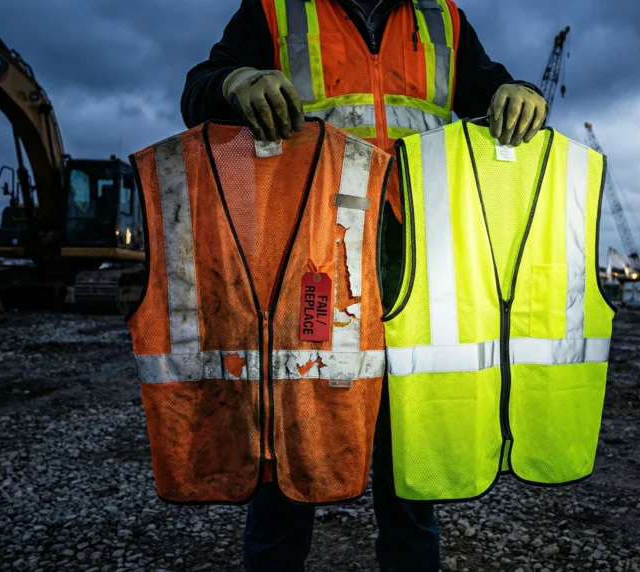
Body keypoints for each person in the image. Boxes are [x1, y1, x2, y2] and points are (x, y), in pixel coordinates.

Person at [180, 1, 548, 571]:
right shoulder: (276, 11)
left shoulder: (442, 17)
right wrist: (237, 81)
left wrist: (519, 91)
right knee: (290, 462)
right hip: (310, 267)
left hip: (412, 268)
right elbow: (197, 94)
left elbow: (491, 94)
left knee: (410, 478)